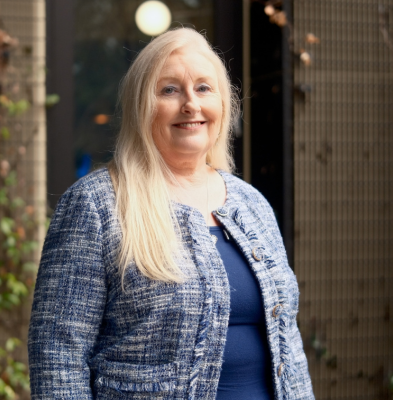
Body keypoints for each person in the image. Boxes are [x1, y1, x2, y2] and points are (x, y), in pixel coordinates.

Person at [28, 28, 314, 400]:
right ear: (141, 105)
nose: (191, 104)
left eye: (203, 88)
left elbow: (288, 345)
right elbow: (57, 358)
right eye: (169, 90)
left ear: (223, 104)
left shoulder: (251, 203)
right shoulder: (97, 204)